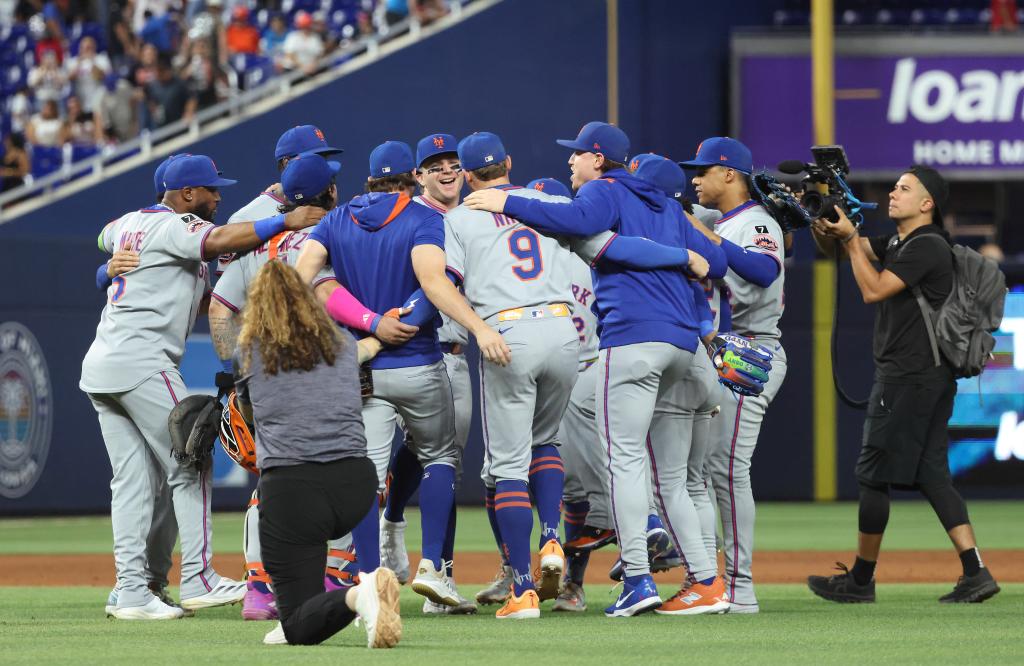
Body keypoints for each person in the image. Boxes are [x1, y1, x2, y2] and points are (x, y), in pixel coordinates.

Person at [464, 121, 727, 618]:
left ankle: (637, 576)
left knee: (624, 460)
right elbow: (713, 262)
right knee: (673, 476)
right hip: (686, 346)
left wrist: (508, 202)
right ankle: (706, 582)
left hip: (634, 340)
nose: (571, 161)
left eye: (579, 154)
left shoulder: (605, 191)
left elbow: (583, 226)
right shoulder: (670, 208)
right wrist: (687, 245)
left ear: (601, 160)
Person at [80, 154, 327, 619]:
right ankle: (198, 576)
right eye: (211, 189)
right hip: (143, 361)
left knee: (133, 482)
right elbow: (217, 241)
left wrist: (105, 271)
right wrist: (284, 221)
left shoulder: (130, 223)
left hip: (103, 366)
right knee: (191, 461)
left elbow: (104, 236)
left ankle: (133, 590)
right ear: (187, 194)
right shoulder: (177, 225)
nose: (218, 196)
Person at [295, 140, 503, 609]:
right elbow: (433, 282)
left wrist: (362, 326)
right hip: (419, 362)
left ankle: (370, 579)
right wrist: (477, 326)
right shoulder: (423, 217)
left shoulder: (335, 218)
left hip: (363, 367)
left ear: (368, 181)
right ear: (412, 179)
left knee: (365, 475)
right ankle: (433, 566)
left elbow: (297, 277)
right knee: (440, 459)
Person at [808, 165, 1000, 604]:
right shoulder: (902, 241)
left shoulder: (926, 246)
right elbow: (838, 252)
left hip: (909, 376)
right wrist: (826, 222)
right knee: (932, 474)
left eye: (905, 189)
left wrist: (852, 239)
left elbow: (873, 289)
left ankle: (861, 579)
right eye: (894, 186)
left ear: (927, 203)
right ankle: (976, 572)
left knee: (873, 474)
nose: (893, 193)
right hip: (928, 375)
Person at [232, 215, 400, 651]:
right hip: (356, 486)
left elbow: (249, 413)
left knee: (299, 628)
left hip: (294, 490)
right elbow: (364, 349)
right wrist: (384, 333)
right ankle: (344, 597)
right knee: (297, 619)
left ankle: (358, 594)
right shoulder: (341, 344)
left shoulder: (250, 352)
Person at [679, 136, 787, 614]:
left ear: (730, 174)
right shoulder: (718, 222)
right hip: (718, 351)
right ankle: (709, 581)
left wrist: (706, 236)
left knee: (726, 471)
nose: (695, 179)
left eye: (703, 171)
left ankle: (741, 589)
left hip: (750, 351)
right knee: (698, 473)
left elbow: (762, 272)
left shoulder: (757, 222)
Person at [378, 132, 479, 615]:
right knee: (434, 458)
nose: (445, 169)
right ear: (416, 175)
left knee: (440, 460)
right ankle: (402, 539)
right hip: (408, 349)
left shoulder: (475, 216)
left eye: (452, 161)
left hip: (453, 354)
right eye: (433, 164)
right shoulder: (409, 218)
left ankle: (436, 572)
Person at [281, 11, 324, 75]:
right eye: (303, 27)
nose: (306, 29)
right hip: (293, 69)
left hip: (311, 69)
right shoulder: (293, 37)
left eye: (307, 26)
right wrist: (302, 66)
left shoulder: (315, 37)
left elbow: (319, 54)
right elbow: (289, 55)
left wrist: (313, 64)